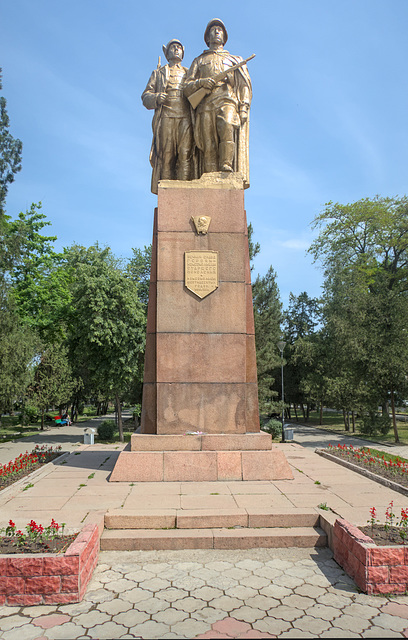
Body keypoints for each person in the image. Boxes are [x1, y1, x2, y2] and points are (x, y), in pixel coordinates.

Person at [184, 19, 252, 187]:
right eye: (213, 30)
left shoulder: (234, 60)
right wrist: (201, 83)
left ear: (224, 36)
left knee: (227, 124)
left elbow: (244, 85)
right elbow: (186, 87)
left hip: (227, 99)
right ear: (207, 37)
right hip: (206, 103)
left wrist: (243, 107)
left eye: (219, 30)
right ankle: (209, 178)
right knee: (207, 142)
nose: (216, 32)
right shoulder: (199, 60)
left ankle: (226, 165)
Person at [142, 39, 194, 194]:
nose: (176, 50)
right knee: (167, 155)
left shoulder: (188, 72)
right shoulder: (158, 73)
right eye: (173, 47)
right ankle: (167, 194)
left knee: (185, 153)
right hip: (166, 117)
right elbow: (145, 97)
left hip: (185, 117)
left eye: (179, 48)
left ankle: (185, 192)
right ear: (166, 52)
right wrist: (157, 97)